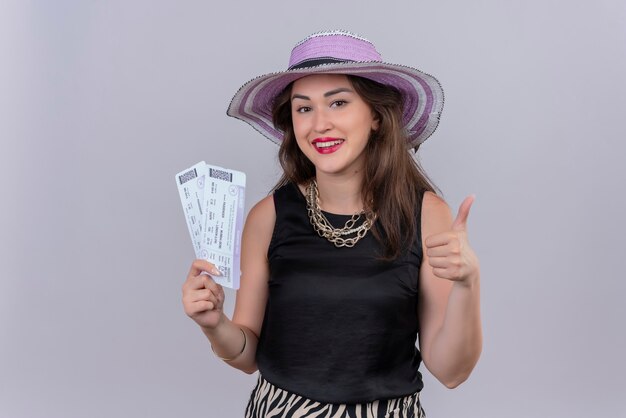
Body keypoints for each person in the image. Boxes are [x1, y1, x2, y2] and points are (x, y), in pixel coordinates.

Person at [182, 30, 482, 418]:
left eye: (338, 103)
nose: (319, 124)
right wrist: (213, 324)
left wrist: (467, 284)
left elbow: (451, 371)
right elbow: (246, 355)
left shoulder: (427, 214)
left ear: (376, 115)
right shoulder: (268, 216)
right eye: (303, 108)